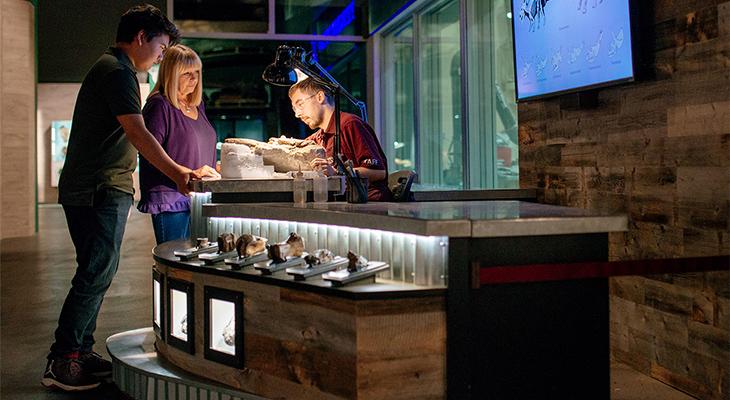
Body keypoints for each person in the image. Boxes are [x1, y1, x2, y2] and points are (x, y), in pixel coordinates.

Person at [43, 5, 201, 392]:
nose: (163, 56)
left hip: (94, 185)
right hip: (100, 186)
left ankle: (80, 350)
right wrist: (178, 172)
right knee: (96, 271)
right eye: (162, 48)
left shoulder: (114, 68)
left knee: (96, 270)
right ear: (141, 37)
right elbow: (138, 133)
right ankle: (63, 358)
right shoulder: (118, 71)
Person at [138, 44, 220, 244]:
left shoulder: (197, 105)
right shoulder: (159, 106)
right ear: (171, 75)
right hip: (170, 199)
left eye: (197, 73)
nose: (194, 79)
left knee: (200, 262)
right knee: (176, 264)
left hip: (200, 197)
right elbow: (148, 152)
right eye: (186, 74)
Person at [288, 78, 393, 201]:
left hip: (369, 205)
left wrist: (337, 173)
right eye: (295, 109)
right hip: (339, 203)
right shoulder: (316, 138)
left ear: (320, 97)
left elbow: (379, 172)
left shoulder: (350, 125)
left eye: (300, 104)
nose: (297, 114)